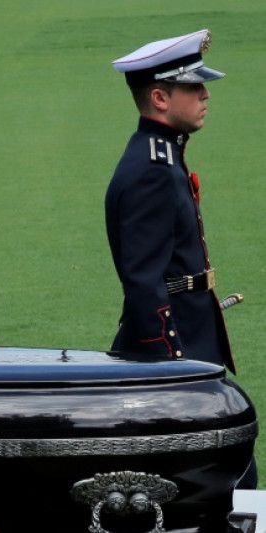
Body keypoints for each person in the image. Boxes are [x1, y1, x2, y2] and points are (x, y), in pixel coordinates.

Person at [107, 29, 256, 490]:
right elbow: (143, 282)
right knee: (217, 478)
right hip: (175, 345)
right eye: (193, 87)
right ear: (160, 97)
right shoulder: (152, 170)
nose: (205, 94)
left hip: (192, 331)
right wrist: (172, 368)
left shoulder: (163, 156)